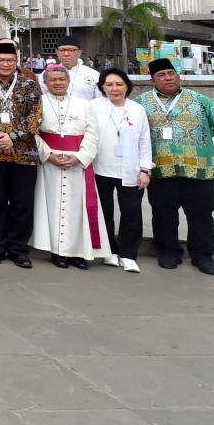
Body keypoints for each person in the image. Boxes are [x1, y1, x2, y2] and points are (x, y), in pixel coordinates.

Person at [139, 57, 214, 275]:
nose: (167, 78)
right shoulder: (141, 103)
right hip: (160, 169)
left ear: (178, 76)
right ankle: (168, 251)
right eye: (161, 75)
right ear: (152, 81)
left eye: (171, 73)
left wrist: (194, 143)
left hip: (199, 169)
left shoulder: (201, 101)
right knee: (163, 213)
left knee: (201, 214)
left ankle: (202, 255)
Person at [0, 39, 43, 268]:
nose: (5, 64)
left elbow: (35, 116)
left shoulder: (29, 85)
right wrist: (0, 137)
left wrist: (13, 137)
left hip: (24, 154)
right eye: (1, 60)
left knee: (22, 203)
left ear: (17, 62)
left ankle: (18, 249)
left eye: (10, 60)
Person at [33, 64, 106, 268]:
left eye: (61, 79)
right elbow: (34, 133)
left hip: (77, 164)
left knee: (77, 208)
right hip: (50, 163)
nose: (57, 83)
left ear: (68, 81)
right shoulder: (38, 103)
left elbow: (92, 134)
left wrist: (80, 157)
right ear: (45, 83)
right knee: (54, 207)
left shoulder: (84, 105)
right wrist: (49, 155)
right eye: (53, 80)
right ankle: (58, 252)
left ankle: (78, 252)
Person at [91, 68, 152, 273]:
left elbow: (145, 141)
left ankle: (128, 254)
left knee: (131, 213)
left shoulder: (137, 109)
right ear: (102, 87)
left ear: (127, 86)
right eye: (109, 84)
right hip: (100, 169)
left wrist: (145, 169)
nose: (114, 88)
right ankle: (108, 251)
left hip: (130, 170)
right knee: (103, 213)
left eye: (119, 84)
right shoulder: (93, 107)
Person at [41, 35, 99, 101]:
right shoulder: (47, 74)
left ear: (79, 52)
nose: (66, 54)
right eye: (62, 50)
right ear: (57, 52)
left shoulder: (94, 75)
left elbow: (99, 102)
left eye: (71, 50)